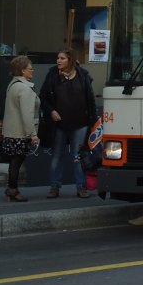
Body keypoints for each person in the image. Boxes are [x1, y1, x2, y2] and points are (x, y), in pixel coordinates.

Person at [39, 48, 98, 198]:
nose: (58, 61)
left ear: (70, 60)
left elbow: (90, 99)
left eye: (62, 58)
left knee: (78, 156)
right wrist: (51, 111)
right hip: (59, 124)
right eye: (58, 58)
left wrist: (93, 119)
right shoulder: (52, 74)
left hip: (80, 123)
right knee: (57, 155)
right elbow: (43, 97)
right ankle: (54, 186)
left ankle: (80, 186)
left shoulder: (82, 75)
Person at [2, 56, 40, 202]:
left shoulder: (13, 85)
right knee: (16, 163)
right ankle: (13, 190)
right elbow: (27, 114)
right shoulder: (24, 89)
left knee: (14, 162)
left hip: (11, 131)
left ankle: (11, 189)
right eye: (30, 68)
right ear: (23, 70)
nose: (32, 70)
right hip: (20, 132)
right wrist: (33, 134)